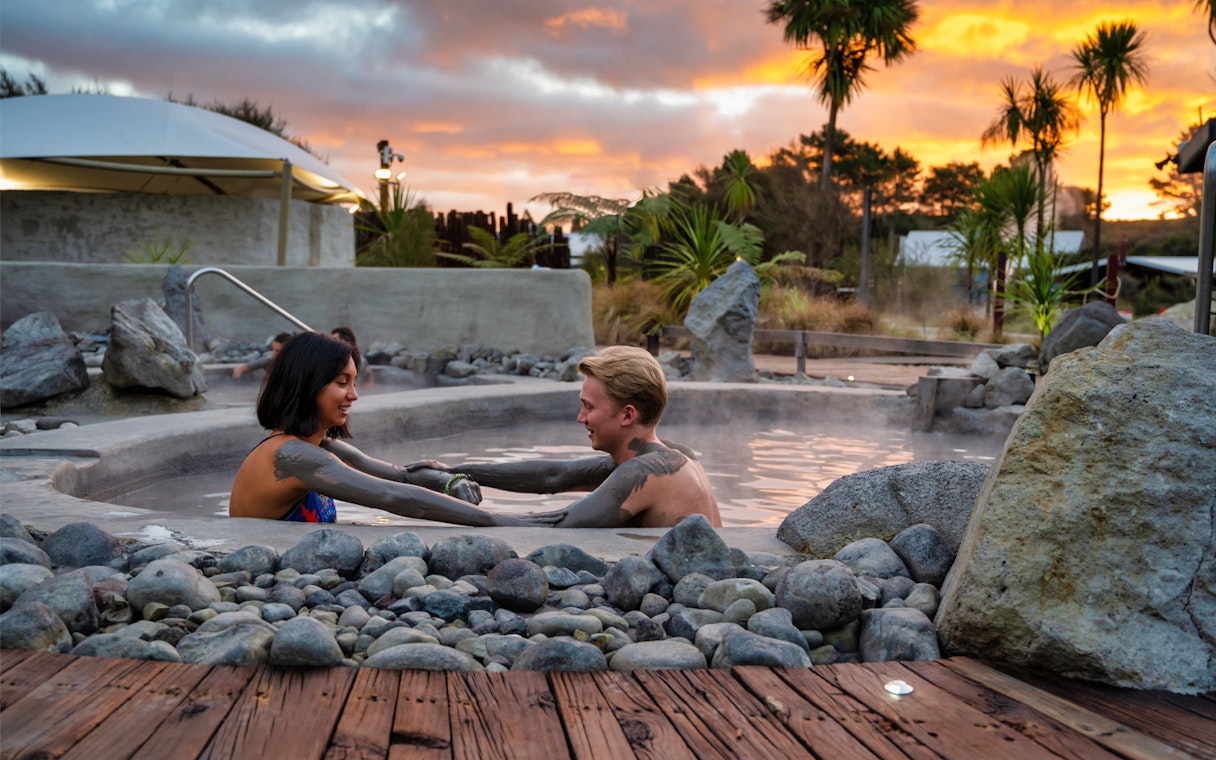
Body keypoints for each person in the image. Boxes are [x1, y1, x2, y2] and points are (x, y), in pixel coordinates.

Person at [229, 331, 561, 527]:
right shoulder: (291, 455)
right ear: (307, 385)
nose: (353, 395)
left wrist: (452, 481)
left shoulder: (318, 447)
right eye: (341, 383)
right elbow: (391, 497)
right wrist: (506, 521)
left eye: (354, 382)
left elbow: (400, 477)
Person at [430, 346, 721, 528]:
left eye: (588, 407)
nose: (580, 418)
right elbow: (554, 476)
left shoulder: (645, 472)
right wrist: (452, 472)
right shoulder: (669, 455)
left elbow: (551, 525)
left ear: (627, 415)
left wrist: (409, 499)